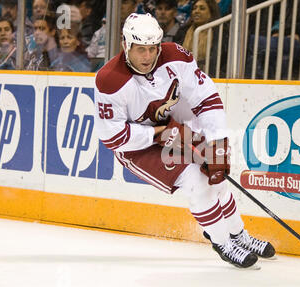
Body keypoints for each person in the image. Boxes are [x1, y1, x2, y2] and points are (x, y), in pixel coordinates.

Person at [94, 13, 275, 268]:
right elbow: (114, 138)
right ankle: (222, 241)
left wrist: (217, 144)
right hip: (138, 146)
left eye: (152, 49)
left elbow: (206, 98)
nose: (148, 57)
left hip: (174, 126)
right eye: (141, 50)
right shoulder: (109, 80)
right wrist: (157, 134)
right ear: (126, 45)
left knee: (217, 176)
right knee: (197, 181)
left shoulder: (175, 55)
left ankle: (239, 235)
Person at [182, 0, 222, 72]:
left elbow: (217, 60)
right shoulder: (182, 31)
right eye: (194, 8)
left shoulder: (219, 32)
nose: (196, 11)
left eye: (202, 8)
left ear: (211, 13)